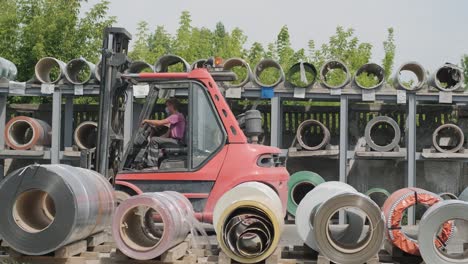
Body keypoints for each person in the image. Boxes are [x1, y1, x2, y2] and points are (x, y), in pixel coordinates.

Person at [142, 98, 186, 168]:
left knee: (154, 140)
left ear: (172, 106)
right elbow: (167, 135)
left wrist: (147, 121)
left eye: (168, 106)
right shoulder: (176, 117)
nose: (167, 108)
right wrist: (159, 138)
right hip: (174, 140)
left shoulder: (176, 116)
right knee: (154, 140)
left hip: (176, 142)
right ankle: (146, 162)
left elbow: (160, 123)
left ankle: (152, 165)